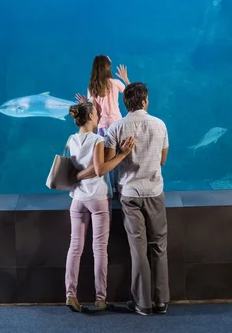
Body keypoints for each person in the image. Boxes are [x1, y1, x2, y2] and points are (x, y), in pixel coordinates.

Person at [104, 82, 170, 316]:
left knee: (137, 249)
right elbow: (162, 160)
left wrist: (125, 153)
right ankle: (161, 301)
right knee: (158, 246)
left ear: (125, 102)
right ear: (144, 101)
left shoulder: (116, 128)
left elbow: (109, 164)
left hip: (130, 195)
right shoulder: (159, 125)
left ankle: (142, 304)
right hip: (154, 192)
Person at [64, 101, 136, 313]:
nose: (99, 115)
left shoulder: (71, 139)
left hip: (77, 197)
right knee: (99, 249)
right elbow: (99, 169)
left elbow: (74, 169)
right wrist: (122, 154)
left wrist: (78, 176)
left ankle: (70, 294)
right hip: (97, 197)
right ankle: (100, 298)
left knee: (75, 247)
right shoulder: (97, 139)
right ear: (91, 117)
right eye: (96, 112)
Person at [75, 54, 131, 195]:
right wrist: (124, 77)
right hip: (117, 125)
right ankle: (122, 187)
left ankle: (110, 189)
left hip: (101, 128)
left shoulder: (92, 87)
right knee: (121, 156)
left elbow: (93, 110)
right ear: (108, 68)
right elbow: (131, 93)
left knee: (106, 160)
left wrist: (84, 103)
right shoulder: (114, 82)